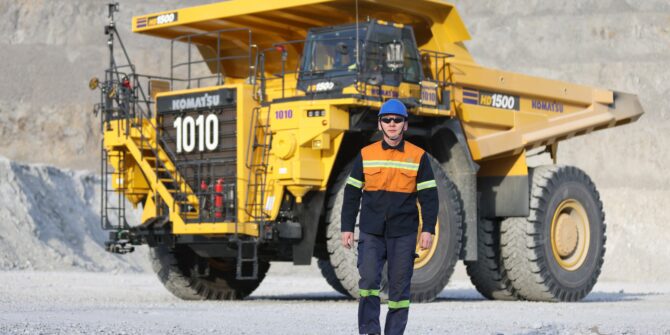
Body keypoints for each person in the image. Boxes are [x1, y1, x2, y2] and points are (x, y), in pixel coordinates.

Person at [341, 99, 439, 335]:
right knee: (368, 284)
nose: (392, 124)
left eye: (397, 120)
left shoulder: (419, 157)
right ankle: (369, 332)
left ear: (405, 125)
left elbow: (429, 197)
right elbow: (352, 193)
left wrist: (428, 230)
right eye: (387, 120)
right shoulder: (366, 154)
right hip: (371, 231)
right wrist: (346, 228)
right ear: (380, 124)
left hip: (403, 233)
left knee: (399, 291)